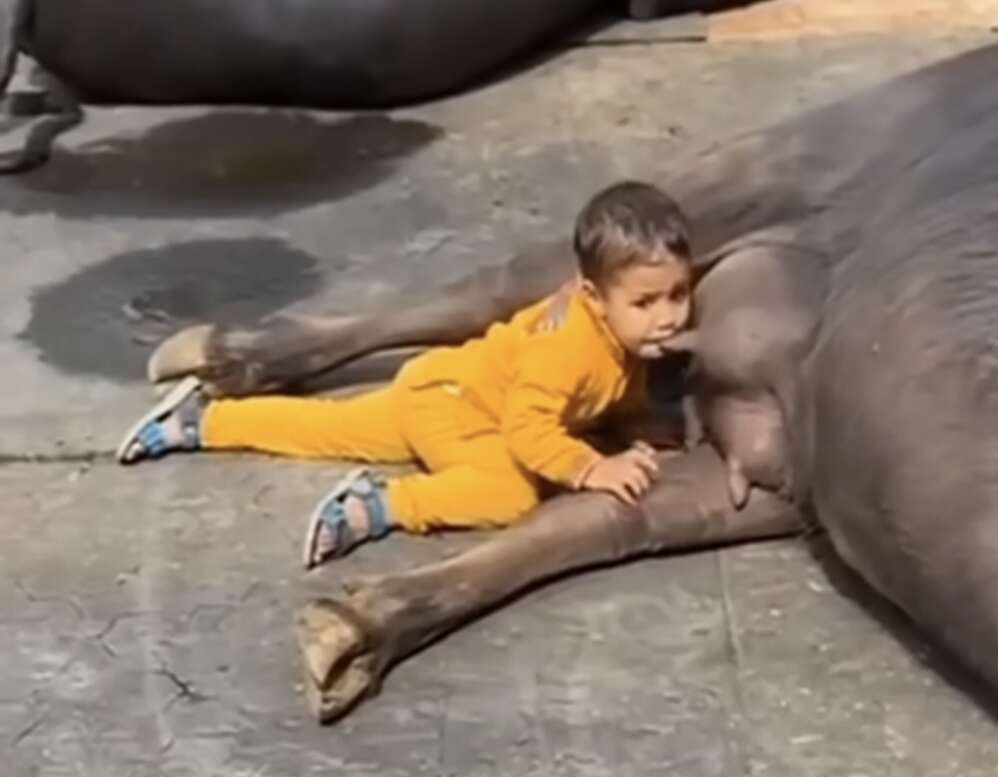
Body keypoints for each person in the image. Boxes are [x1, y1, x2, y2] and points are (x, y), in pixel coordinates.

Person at [115, 180, 694, 568]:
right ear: (593, 296)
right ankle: (385, 504)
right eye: (646, 304)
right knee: (511, 494)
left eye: (678, 294)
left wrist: (636, 424)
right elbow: (527, 431)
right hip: (460, 414)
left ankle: (203, 421)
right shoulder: (565, 351)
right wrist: (591, 465)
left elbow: (621, 382)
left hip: (441, 385)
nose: (667, 318)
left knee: (325, 427)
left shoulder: (618, 334)